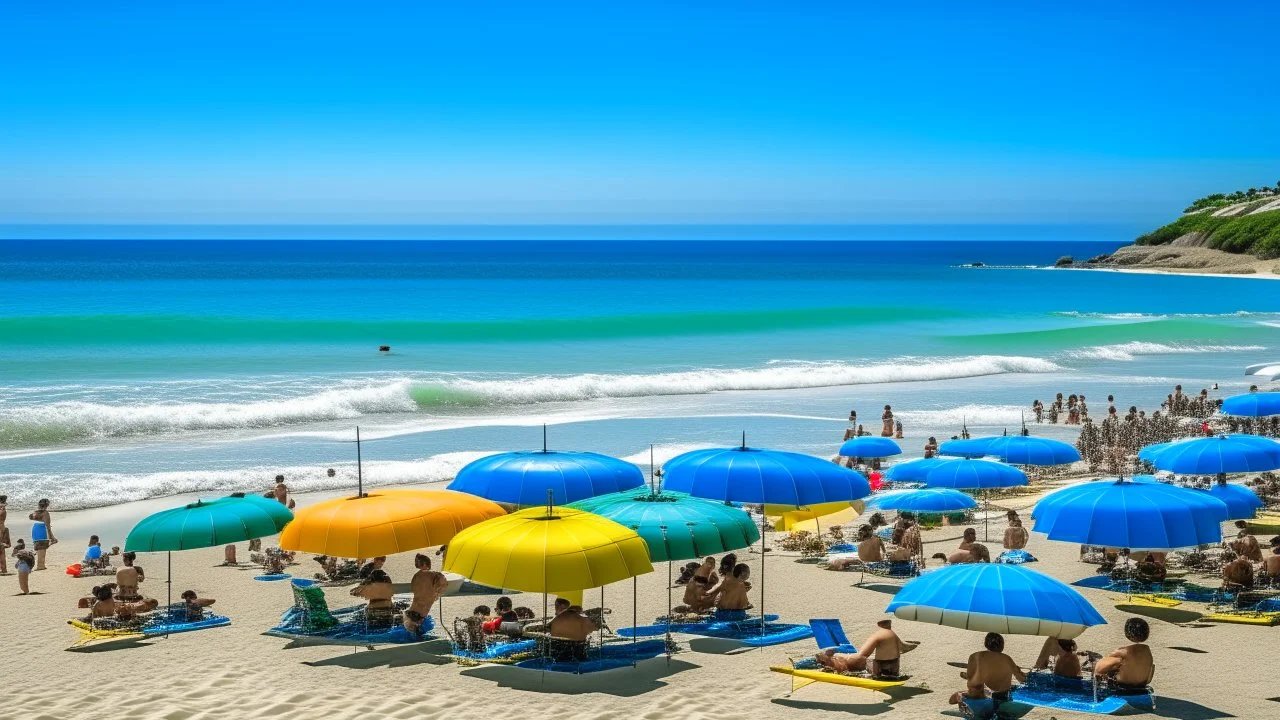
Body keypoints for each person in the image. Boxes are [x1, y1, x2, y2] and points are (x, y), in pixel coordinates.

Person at [950, 632, 1026, 710]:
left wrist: (965, 675)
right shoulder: (1006, 658)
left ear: (986, 644)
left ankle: (961, 698)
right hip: (1003, 695)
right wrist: (1022, 674)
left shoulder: (974, 656)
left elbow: (970, 677)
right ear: (1002, 646)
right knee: (1006, 688)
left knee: (957, 697)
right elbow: (1021, 679)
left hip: (978, 694)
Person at [814, 618, 910, 678]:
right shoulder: (891, 634)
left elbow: (863, 655)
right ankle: (890, 674)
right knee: (887, 668)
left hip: (871, 663)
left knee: (869, 664)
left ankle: (878, 675)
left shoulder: (878, 635)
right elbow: (903, 646)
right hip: (891, 661)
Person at [1094, 618, 1154, 693]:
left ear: (1127, 632)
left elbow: (1099, 668)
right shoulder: (1147, 651)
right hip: (1141, 687)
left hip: (1123, 689)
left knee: (1103, 670)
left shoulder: (1122, 652)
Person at [406, 553, 447, 635]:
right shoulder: (434, 575)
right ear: (426, 564)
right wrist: (437, 594)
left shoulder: (416, 576)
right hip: (419, 616)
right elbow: (444, 583)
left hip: (411, 612)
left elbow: (414, 589)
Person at [29, 498, 57, 570]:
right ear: (47, 505)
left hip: (35, 528)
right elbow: (48, 526)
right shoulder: (45, 513)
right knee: (42, 548)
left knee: (39, 547)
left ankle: (41, 564)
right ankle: (40, 565)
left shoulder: (35, 512)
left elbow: (30, 517)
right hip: (41, 529)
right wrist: (52, 537)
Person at [0, 494, 9, 576]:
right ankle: (3, 569)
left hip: (1, 529)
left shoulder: (2, 508)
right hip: (2, 528)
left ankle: (3, 569)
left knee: (1, 549)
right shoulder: (3, 507)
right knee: (2, 549)